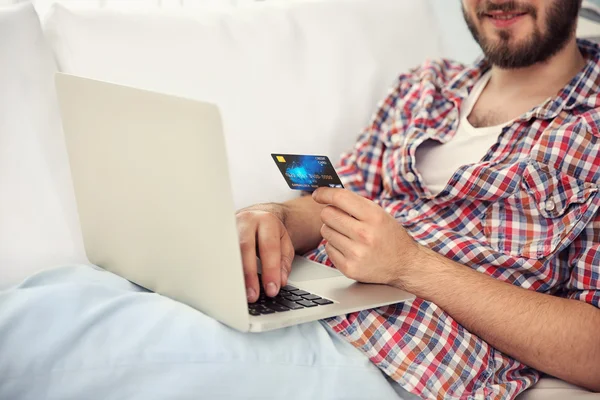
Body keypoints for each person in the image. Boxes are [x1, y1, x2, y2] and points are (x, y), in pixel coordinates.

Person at [1, 0, 599, 399]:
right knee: (61, 293)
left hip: (401, 359)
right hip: (306, 297)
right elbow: (339, 197)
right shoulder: (426, 85)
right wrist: (278, 216)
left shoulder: (592, 128)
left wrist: (412, 266)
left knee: (56, 342)